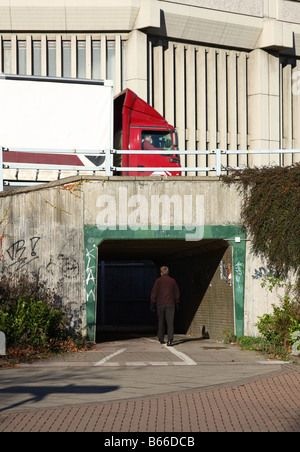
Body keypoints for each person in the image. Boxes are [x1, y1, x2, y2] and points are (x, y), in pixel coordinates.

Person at [150, 266, 180, 346]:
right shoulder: (172, 281)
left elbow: (154, 293)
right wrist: (177, 302)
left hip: (160, 304)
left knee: (161, 321)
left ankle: (161, 338)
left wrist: (152, 302)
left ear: (161, 273)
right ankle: (170, 340)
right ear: (168, 272)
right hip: (170, 303)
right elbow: (177, 293)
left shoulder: (158, 281)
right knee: (170, 322)